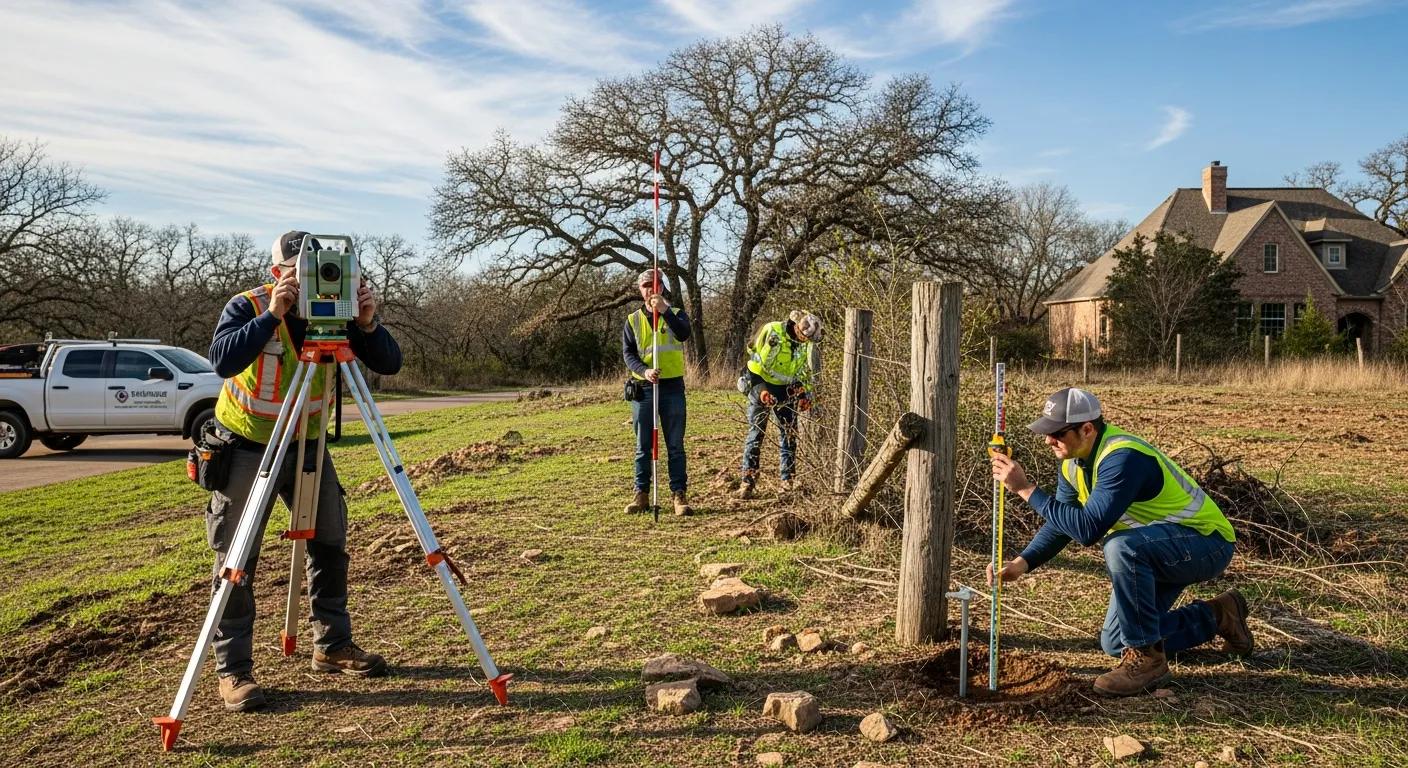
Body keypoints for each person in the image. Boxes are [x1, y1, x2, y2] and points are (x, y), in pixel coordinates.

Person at [203, 231, 402, 712]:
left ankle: (332, 645)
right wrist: (273, 313)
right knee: (237, 556)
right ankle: (234, 670)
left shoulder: (335, 315)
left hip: (308, 444)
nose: (313, 281)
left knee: (330, 539)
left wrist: (369, 324)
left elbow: (389, 364)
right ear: (277, 273)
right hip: (248, 446)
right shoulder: (247, 306)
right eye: (300, 271)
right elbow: (221, 360)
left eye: (320, 270)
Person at [988, 387, 1253, 696]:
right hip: (1157, 549)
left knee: (1121, 547)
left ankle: (1149, 663)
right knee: (1116, 641)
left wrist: (1025, 489)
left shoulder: (1123, 457)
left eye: (1057, 433)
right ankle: (1219, 615)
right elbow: (1062, 524)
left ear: (1087, 429)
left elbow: (1087, 530)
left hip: (1207, 544)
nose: (1048, 440)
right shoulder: (1072, 464)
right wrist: (1022, 563)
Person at [621, 268, 692, 516]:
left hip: (672, 388)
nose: (650, 289)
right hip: (644, 388)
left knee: (675, 445)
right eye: (645, 286)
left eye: (654, 285)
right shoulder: (632, 320)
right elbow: (628, 354)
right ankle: (641, 494)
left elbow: (684, 334)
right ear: (640, 290)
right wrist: (644, 371)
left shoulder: (676, 314)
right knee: (643, 446)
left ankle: (678, 495)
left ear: (661, 287)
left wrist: (663, 310)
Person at [736, 311, 823, 499]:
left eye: (809, 339)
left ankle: (787, 482)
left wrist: (804, 394)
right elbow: (754, 363)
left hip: (787, 390)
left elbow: (804, 372)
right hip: (761, 384)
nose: (805, 340)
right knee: (756, 432)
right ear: (796, 326)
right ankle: (747, 481)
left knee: (790, 435)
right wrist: (761, 391)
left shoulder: (806, 345)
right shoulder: (772, 330)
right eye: (804, 336)